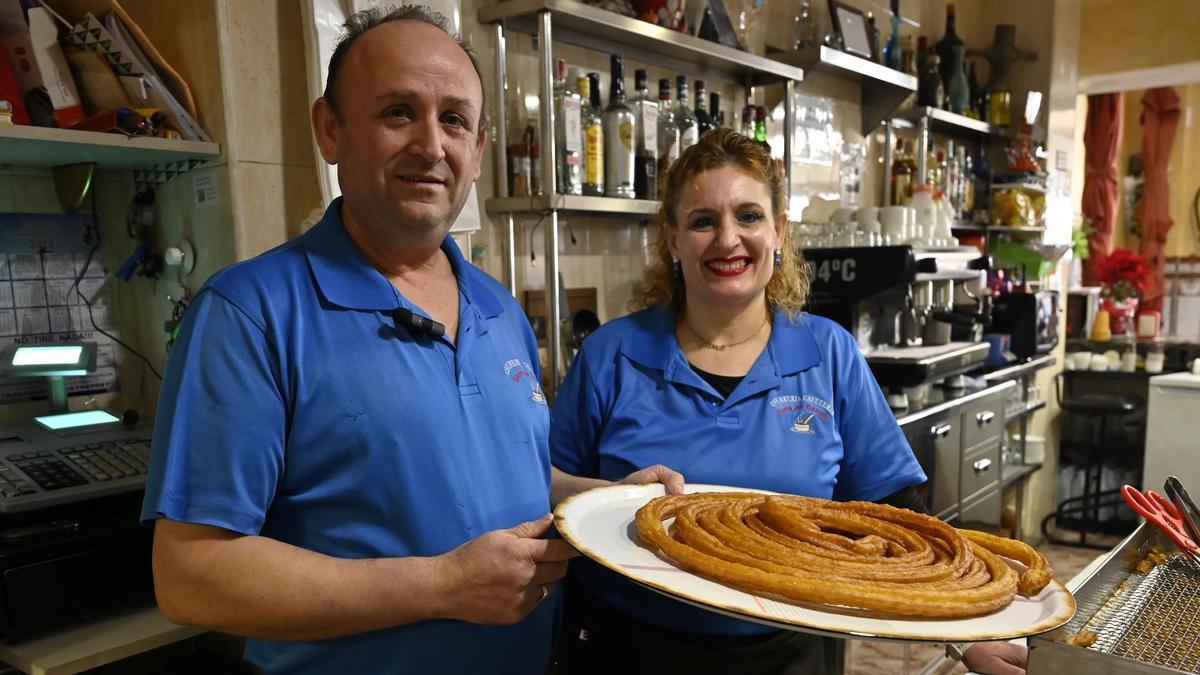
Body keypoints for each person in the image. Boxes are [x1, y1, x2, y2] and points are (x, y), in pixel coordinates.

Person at [141, 7, 679, 674]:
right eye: (398, 112)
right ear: (330, 130)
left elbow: (509, 472)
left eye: (454, 120)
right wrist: (444, 585)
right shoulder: (250, 314)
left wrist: (602, 498)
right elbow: (191, 572)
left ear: (478, 151)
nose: (431, 144)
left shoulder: (498, 309)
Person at [549, 128, 1028, 675]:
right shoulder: (612, 353)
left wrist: (966, 634)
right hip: (624, 649)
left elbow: (899, 516)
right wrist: (608, 495)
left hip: (787, 651)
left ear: (779, 232)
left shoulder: (827, 352)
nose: (728, 239)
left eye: (749, 217)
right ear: (672, 239)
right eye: (703, 220)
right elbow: (541, 483)